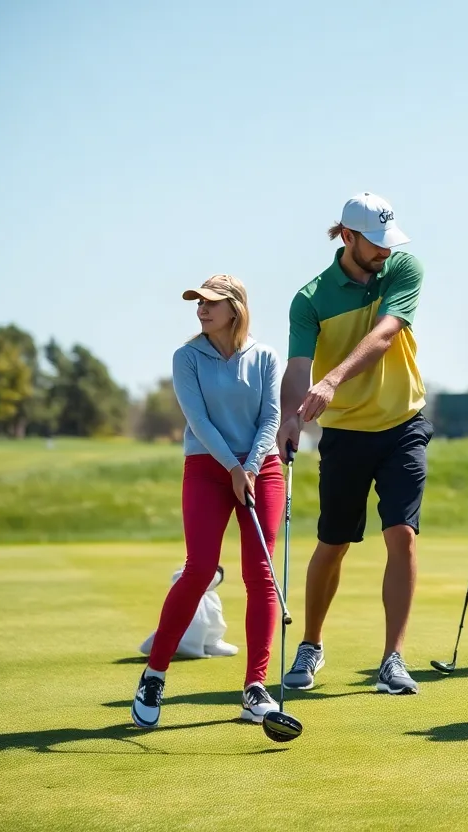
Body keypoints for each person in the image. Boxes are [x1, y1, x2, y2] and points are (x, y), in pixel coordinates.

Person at [277, 192, 433, 696]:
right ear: (347, 237)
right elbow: (299, 368)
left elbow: (387, 333)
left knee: (401, 535)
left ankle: (393, 657)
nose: (385, 251)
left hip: (403, 423)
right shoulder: (311, 298)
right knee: (333, 542)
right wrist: (289, 417)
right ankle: (312, 643)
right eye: (375, 242)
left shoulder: (404, 268)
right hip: (345, 434)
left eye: (390, 240)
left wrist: (333, 380)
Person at [131, 274, 283, 729]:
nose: (201, 309)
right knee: (199, 568)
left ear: (235, 308)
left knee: (261, 572)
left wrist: (251, 467)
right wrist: (233, 469)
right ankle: (154, 676)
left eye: (212, 302)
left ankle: (255, 687)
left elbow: (271, 416)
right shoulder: (187, 357)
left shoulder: (266, 356)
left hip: (262, 468)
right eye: (198, 302)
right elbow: (197, 420)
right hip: (207, 467)